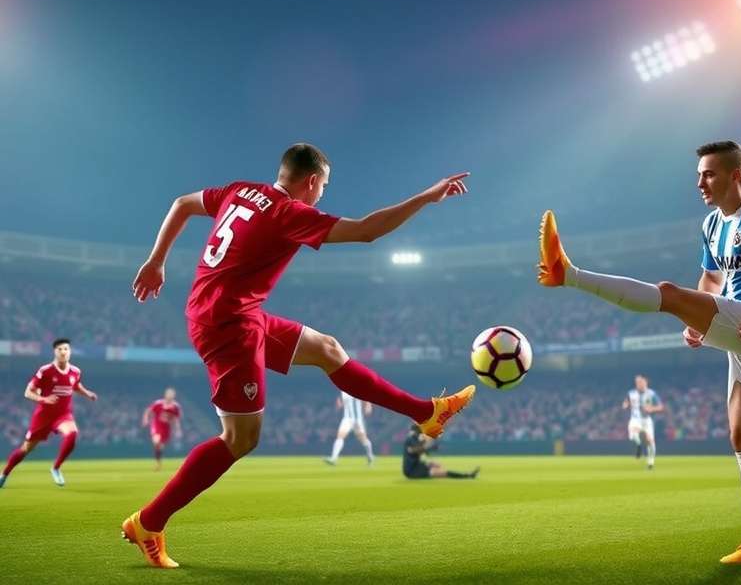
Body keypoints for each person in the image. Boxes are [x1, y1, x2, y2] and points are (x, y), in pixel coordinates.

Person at [122, 143, 476, 568]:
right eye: (324, 186)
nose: (322, 194)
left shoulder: (240, 190)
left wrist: (156, 261)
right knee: (240, 439)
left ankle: (427, 413)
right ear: (311, 182)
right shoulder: (288, 213)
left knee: (327, 349)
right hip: (228, 328)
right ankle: (149, 522)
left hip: (232, 313)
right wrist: (427, 197)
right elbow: (367, 231)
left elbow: (182, 203)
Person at [538, 140, 741, 564]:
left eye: (709, 174)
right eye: (699, 175)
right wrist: (697, 321)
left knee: (668, 294)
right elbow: (711, 281)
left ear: (736, 176)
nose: (700, 183)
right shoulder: (711, 224)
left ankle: (569, 273)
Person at [0, 338, 97, 488]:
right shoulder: (45, 371)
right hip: (43, 416)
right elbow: (28, 392)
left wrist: (87, 393)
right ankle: (4, 474)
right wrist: (44, 399)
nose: (63, 352)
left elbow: (76, 385)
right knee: (25, 449)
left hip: (63, 415)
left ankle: (56, 468)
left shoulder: (76, 371)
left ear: (70, 352)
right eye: (60, 349)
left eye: (66, 349)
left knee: (72, 434)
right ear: (55, 352)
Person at [402, 424, 479, 480]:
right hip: (412, 471)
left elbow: (420, 450)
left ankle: (466, 475)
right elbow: (413, 450)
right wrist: (429, 446)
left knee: (436, 465)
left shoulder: (414, 439)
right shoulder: (411, 439)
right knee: (440, 471)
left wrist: (429, 446)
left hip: (416, 466)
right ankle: (467, 475)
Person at [621, 375, 663, 469]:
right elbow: (626, 402)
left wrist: (652, 409)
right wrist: (625, 405)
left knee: (650, 441)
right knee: (633, 433)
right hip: (635, 419)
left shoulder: (652, 394)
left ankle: (650, 463)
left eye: (640, 382)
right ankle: (639, 445)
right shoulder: (631, 393)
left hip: (646, 420)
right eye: (637, 382)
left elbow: (660, 407)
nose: (639, 384)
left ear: (645, 382)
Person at [324, 392, 374, 466]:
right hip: (347, 419)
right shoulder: (343, 392)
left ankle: (370, 456)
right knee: (340, 437)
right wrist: (339, 405)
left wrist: (368, 407)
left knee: (364, 440)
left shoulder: (359, 390)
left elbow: (366, 401)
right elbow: (341, 403)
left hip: (358, 420)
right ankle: (333, 458)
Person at [142, 388, 183, 470]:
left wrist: (178, 430)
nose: (170, 396)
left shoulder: (175, 406)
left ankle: (158, 462)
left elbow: (176, 419)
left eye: (172, 395)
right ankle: (158, 463)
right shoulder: (158, 403)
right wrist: (145, 419)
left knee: (160, 447)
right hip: (157, 425)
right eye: (169, 394)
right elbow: (148, 410)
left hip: (166, 429)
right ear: (165, 395)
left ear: (174, 396)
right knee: (156, 442)